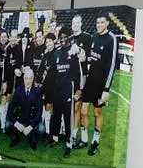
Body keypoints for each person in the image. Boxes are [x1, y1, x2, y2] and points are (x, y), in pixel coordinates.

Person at [79, 11, 118, 156]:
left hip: (101, 85)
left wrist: (106, 89)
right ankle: (83, 139)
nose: (99, 25)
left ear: (107, 23)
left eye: (102, 22)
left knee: (97, 112)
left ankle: (95, 142)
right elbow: (89, 57)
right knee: (83, 111)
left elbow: (112, 64)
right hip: (89, 82)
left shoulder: (111, 39)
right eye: (97, 23)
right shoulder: (93, 37)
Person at [45, 27, 81, 158]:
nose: (63, 40)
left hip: (68, 91)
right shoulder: (57, 52)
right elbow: (52, 72)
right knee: (56, 115)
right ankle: (54, 138)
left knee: (67, 118)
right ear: (59, 39)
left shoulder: (72, 52)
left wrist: (78, 89)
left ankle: (69, 144)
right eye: (61, 38)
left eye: (65, 37)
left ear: (68, 37)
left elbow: (78, 73)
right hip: (57, 90)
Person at [70, 13, 92, 149]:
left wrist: (82, 53)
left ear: (81, 24)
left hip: (84, 78)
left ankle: (84, 139)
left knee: (83, 110)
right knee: (75, 108)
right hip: (72, 78)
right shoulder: (70, 38)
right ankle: (73, 136)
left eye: (77, 22)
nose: (75, 25)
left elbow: (88, 58)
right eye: (73, 23)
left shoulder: (87, 37)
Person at [7, 68, 42, 150]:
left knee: (41, 129)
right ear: (23, 78)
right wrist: (16, 124)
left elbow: (39, 112)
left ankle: (32, 139)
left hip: (31, 120)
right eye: (26, 78)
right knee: (7, 125)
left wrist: (30, 127)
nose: (28, 81)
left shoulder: (37, 91)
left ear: (33, 79)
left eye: (30, 78)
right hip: (20, 119)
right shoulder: (18, 90)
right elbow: (10, 110)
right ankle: (15, 138)